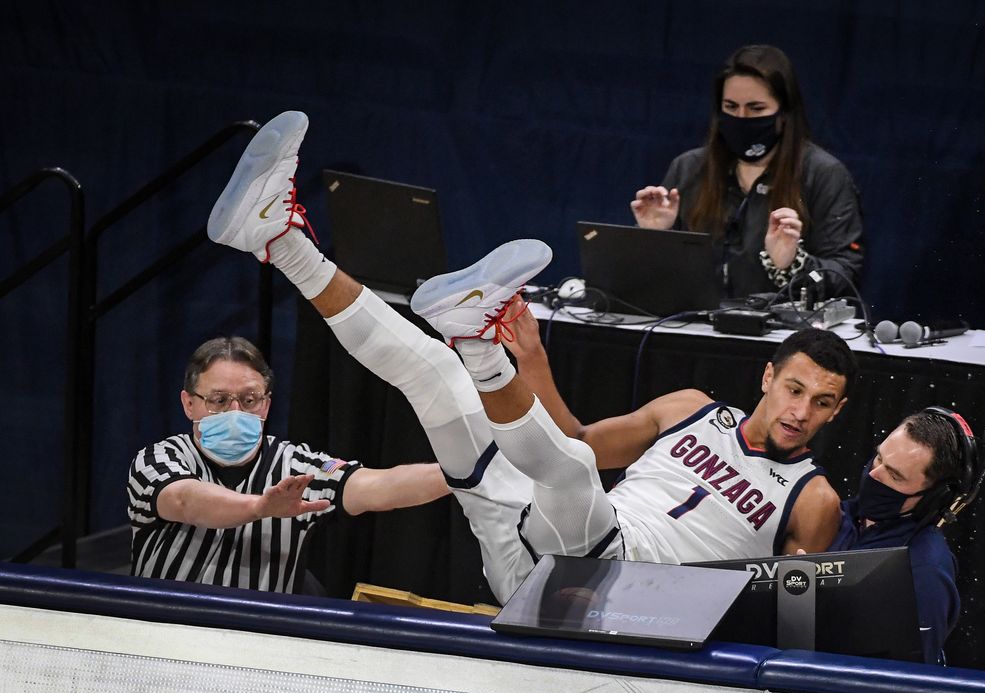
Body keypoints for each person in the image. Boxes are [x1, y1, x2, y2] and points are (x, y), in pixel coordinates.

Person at [204, 111, 858, 603]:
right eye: (795, 389)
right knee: (436, 375)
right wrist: (535, 360)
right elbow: (575, 438)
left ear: (837, 412)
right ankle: (279, 237)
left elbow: (787, 616)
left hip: (621, 592)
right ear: (767, 376)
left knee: (567, 471)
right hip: (537, 553)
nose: (801, 411)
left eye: (821, 402)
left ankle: (479, 344)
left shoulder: (813, 496)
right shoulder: (693, 410)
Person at [126, 334, 450, 593]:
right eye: (219, 400)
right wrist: (261, 507)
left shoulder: (295, 465)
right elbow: (185, 501)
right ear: (189, 404)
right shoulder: (158, 459)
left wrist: (461, 474)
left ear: (266, 406)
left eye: (250, 400)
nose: (236, 411)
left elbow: (374, 486)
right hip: (167, 634)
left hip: (261, 644)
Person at [630, 44, 864, 303]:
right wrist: (654, 238)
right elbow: (652, 282)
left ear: (784, 112)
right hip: (696, 327)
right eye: (730, 107)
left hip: (779, 334)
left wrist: (793, 264)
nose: (741, 118)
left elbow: (845, 274)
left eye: (756, 108)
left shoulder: (824, 174)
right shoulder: (688, 168)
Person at [832, 408, 983, 664]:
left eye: (894, 475)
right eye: (879, 458)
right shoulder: (837, 513)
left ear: (932, 496)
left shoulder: (924, 568)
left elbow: (909, 682)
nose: (874, 475)